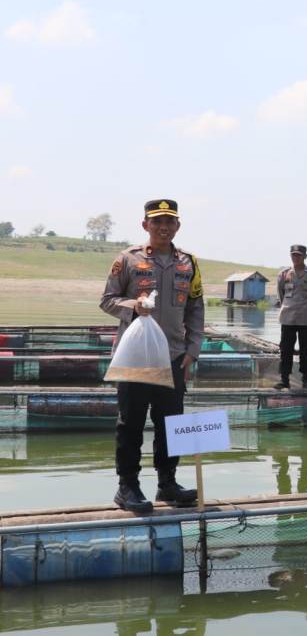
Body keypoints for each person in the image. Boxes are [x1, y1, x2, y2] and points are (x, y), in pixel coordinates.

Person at [100, 199, 203, 512]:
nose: (163, 227)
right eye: (156, 221)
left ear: (177, 226)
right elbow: (107, 300)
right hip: (135, 358)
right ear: (145, 225)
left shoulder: (189, 262)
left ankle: (167, 484)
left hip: (173, 357)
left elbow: (196, 307)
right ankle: (127, 487)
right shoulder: (127, 260)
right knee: (130, 424)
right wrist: (134, 306)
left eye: (169, 222)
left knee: (171, 424)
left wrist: (193, 350)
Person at [275, 245, 307, 390]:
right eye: (293, 255)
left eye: (298, 255)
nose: (295, 258)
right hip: (288, 317)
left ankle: (306, 380)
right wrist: (288, 305)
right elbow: (280, 294)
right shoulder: (283, 274)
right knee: (285, 349)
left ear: (305, 256)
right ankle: (284, 380)